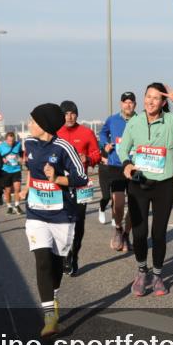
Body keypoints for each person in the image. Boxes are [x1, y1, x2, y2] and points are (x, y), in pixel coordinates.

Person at [118, 82, 173, 297]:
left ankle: (158, 274)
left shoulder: (171, 121)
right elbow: (122, 148)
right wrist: (126, 163)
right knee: (140, 232)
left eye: (156, 98)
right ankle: (142, 271)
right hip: (138, 182)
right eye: (148, 97)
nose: (151, 101)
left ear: (163, 102)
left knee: (159, 233)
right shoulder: (134, 122)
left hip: (163, 185)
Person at [18, 103, 88, 338]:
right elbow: (30, 169)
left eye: (33, 121)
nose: (29, 125)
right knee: (42, 260)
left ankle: (54, 295)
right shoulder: (29, 144)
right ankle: (49, 317)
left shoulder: (64, 148)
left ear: (45, 125)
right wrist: (27, 188)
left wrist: (57, 177)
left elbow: (81, 178)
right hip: (36, 213)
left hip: (61, 214)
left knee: (56, 263)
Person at [57, 100, 102, 277]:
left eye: (72, 113)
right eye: (66, 113)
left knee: (79, 224)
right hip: (60, 185)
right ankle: (64, 254)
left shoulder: (86, 132)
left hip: (81, 185)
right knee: (62, 223)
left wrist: (88, 159)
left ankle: (73, 255)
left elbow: (97, 154)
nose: (69, 116)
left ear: (77, 114)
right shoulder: (55, 133)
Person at [99, 92, 137, 252]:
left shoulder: (141, 119)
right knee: (119, 203)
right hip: (116, 166)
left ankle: (127, 235)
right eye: (125, 102)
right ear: (121, 104)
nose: (128, 105)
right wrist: (105, 144)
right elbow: (102, 133)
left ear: (135, 105)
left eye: (131, 102)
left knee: (135, 206)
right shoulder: (112, 119)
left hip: (136, 167)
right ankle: (118, 229)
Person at [0, 132, 25, 214]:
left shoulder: (18, 144)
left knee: (17, 188)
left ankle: (17, 205)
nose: (11, 143)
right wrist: (2, 160)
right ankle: (9, 206)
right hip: (6, 170)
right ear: (6, 140)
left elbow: (21, 153)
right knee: (8, 191)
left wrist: (21, 159)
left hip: (16, 169)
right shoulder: (1, 146)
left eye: (12, 141)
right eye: (9, 141)